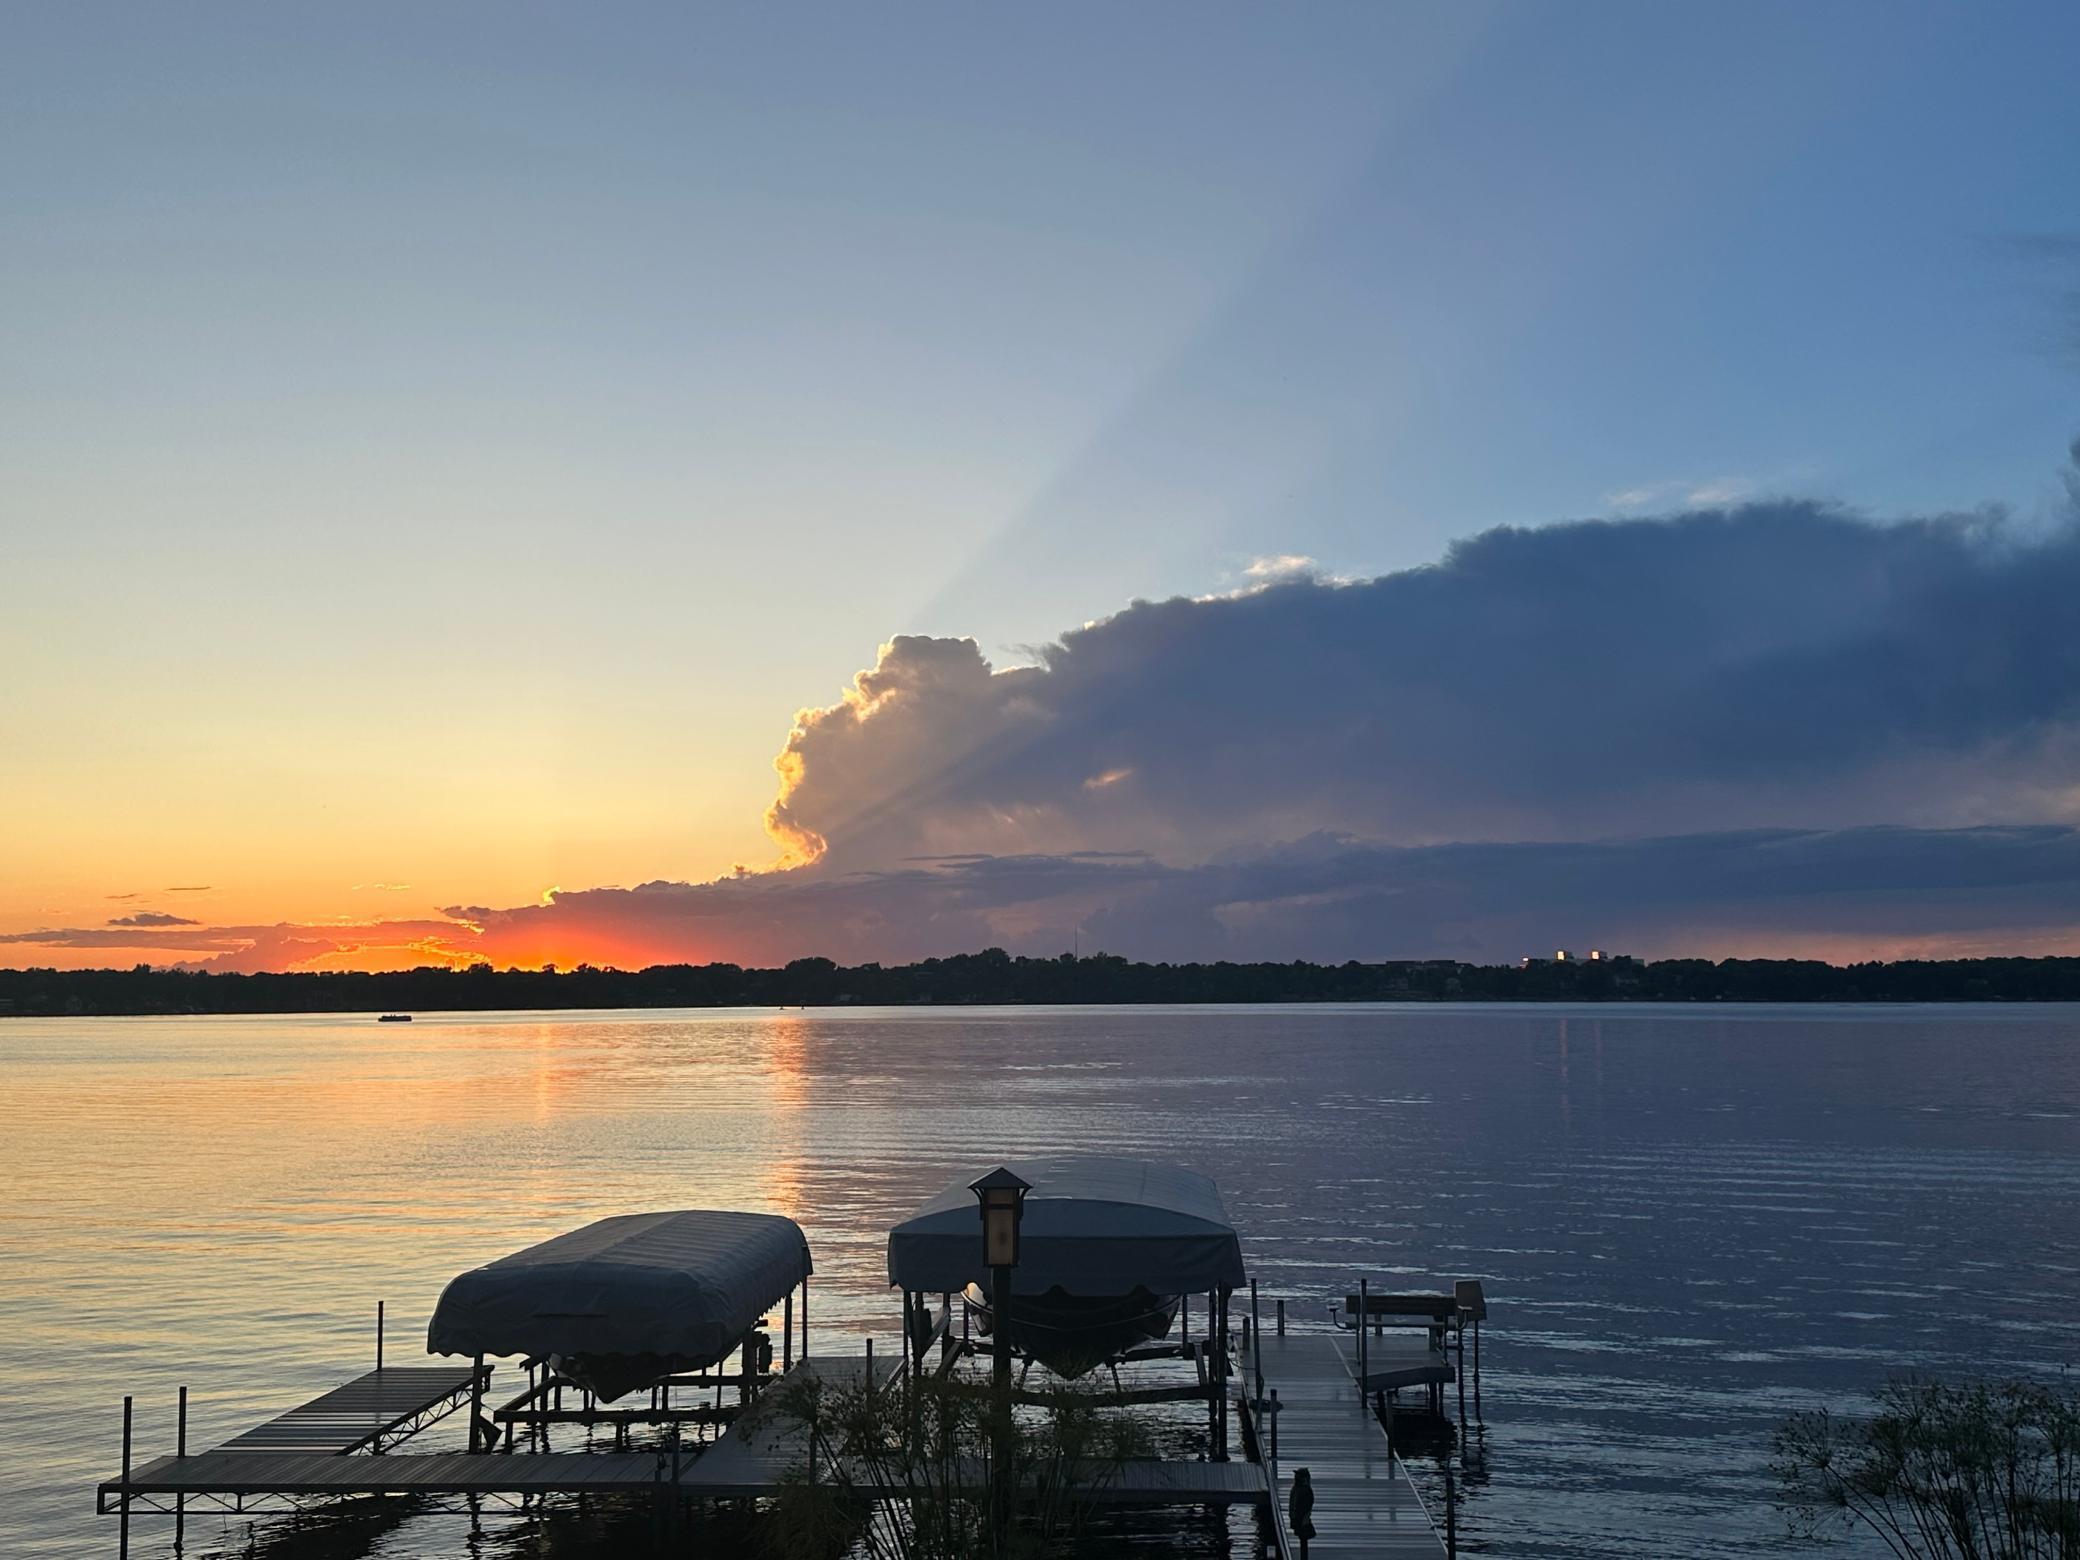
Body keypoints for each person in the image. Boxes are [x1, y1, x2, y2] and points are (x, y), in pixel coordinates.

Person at [1289, 1465, 1318, 1556]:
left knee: (1303, 1539)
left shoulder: (1305, 1490)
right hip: (1297, 1518)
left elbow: (1307, 1506)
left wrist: (1304, 1518)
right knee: (1302, 1540)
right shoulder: (1297, 1488)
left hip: (1301, 1519)